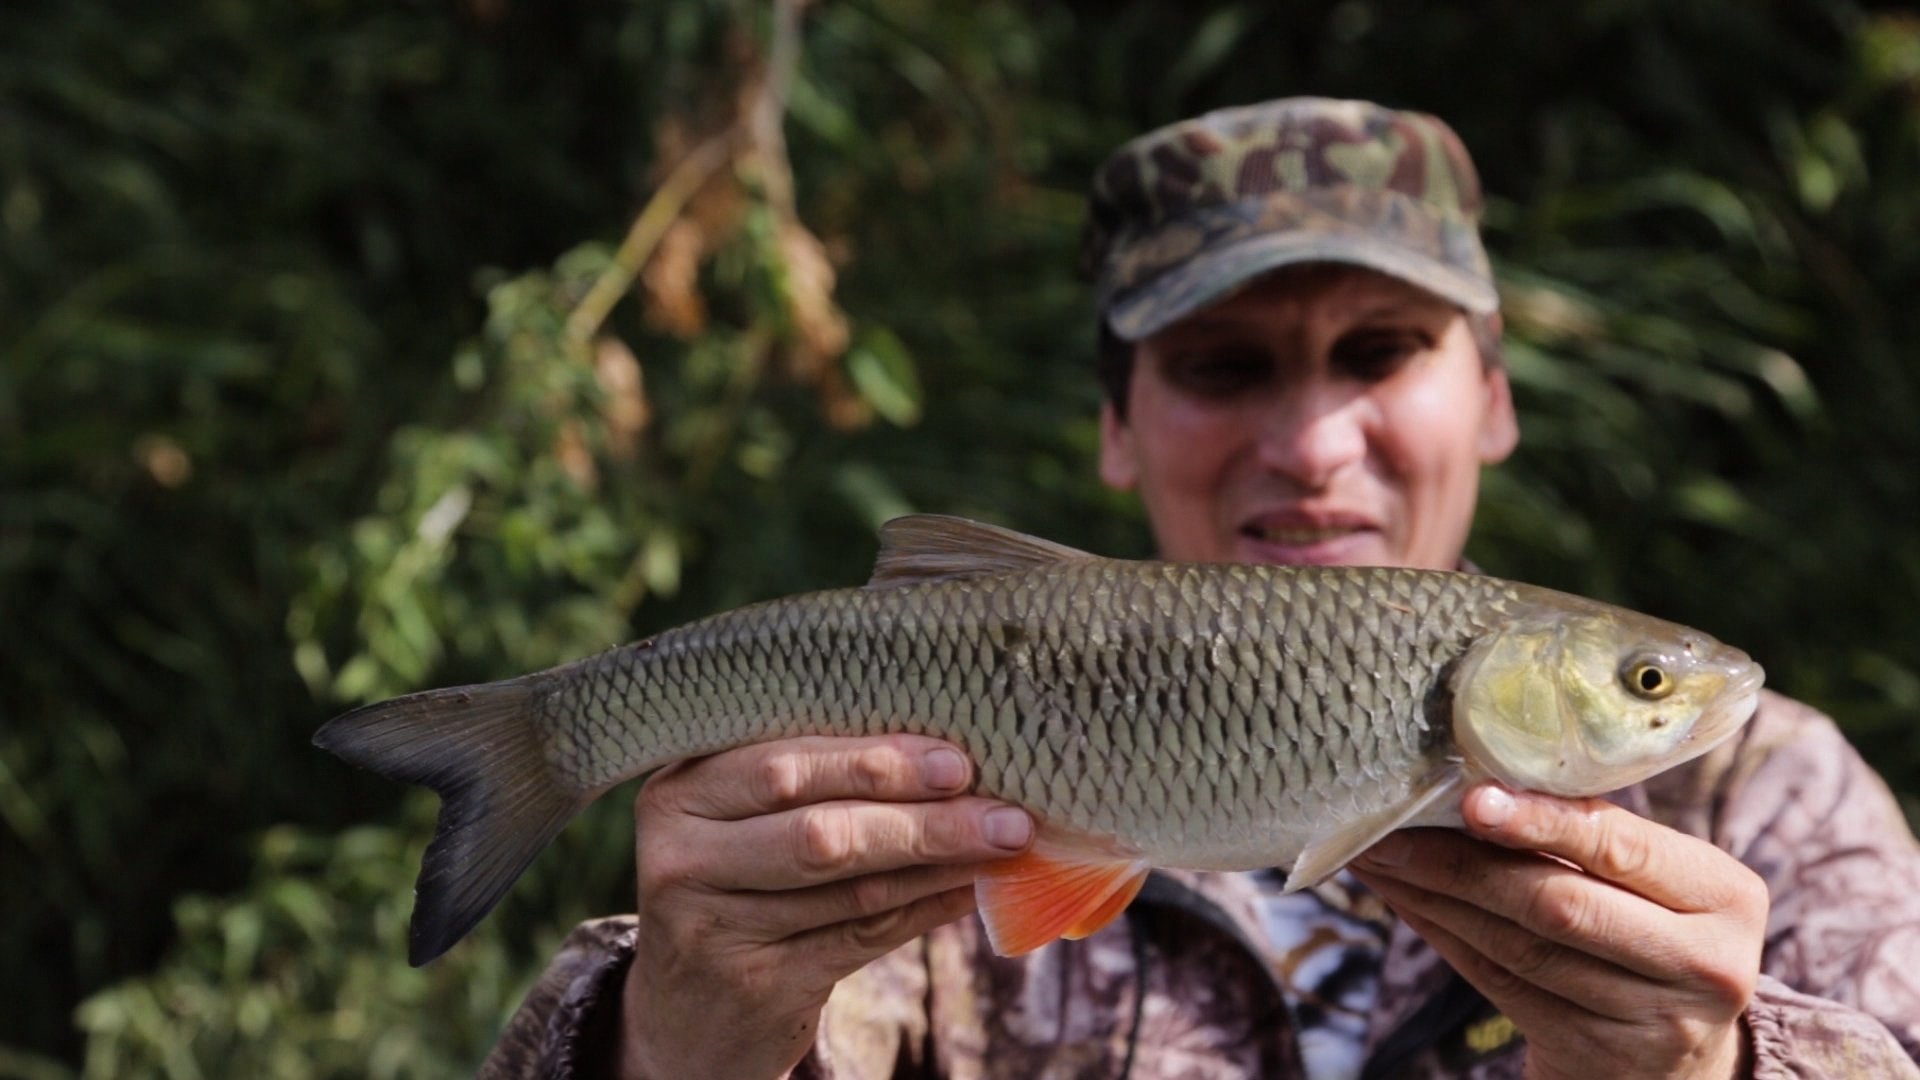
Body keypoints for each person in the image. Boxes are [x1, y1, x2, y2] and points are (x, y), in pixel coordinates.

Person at [480, 98, 1920, 1078]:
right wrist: (673, 1041)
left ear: (1490, 394)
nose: (1307, 447)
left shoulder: (1772, 807)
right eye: (1225, 367)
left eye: (1377, 354)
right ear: (1117, 423)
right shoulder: (899, 853)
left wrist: (1716, 1072)